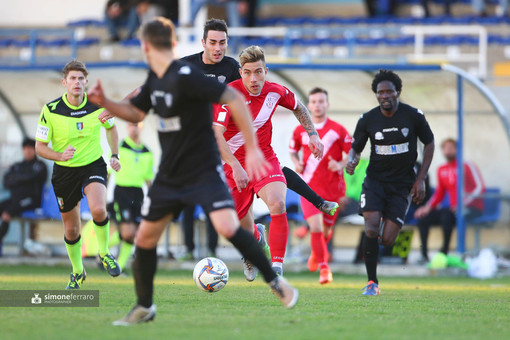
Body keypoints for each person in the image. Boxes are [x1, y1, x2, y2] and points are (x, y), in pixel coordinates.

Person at [87, 17, 298, 325]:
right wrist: (107, 102)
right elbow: (136, 110)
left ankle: (274, 280)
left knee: (228, 226)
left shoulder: (187, 75)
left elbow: (233, 99)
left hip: (203, 169)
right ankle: (144, 306)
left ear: (150, 46)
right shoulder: (157, 77)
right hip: (169, 175)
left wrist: (251, 149)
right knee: (145, 240)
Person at [213, 45, 324, 278]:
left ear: (266, 71)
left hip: (263, 157)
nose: (253, 79)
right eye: (247, 72)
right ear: (241, 72)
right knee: (234, 225)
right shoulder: (227, 95)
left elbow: (299, 107)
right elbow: (216, 134)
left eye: (259, 72)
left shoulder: (275, 91)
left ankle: (276, 266)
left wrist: (312, 134)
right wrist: (235, 167)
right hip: (233, 162)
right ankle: (254, 243)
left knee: (277, 203)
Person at [346, 69, 435, 296]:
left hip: (402, 185)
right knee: (371, 227)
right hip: (375, 182)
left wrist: (421, 178)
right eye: (380, 92)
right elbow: (356, 148)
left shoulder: (413, 116)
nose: (384, 96)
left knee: (387, 239)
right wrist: (352, 161)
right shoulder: (367, 119)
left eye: (389, 91)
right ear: (376, 94)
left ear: (398, 92)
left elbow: (430, 144)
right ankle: (371, 283)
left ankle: (383, 223)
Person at [35, 60, 122, 289]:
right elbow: (39, 147)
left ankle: (104, 253)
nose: (77, 82)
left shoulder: (97, 106)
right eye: (72, 78)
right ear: (64, 82)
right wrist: (59, 156)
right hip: (64, 172)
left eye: (81, 78)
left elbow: (112, 128)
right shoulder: (51, 110)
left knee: (98, 209)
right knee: (72, 229)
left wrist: (115, 155)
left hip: (93, 165)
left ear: (86, 82)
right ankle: (77, 271)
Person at [289, 87, 351, 285]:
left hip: (333, 189)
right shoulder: (301, 130)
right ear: (308, 105)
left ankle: (318, 253)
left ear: (327, 104)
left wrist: (340, 164)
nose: (317, 105)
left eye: (321, 101)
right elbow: (293, 150)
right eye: (314, 102)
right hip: (309, 187)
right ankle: (325, 269)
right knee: (315, 227)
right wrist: (296, 162)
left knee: (324, 231)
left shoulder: (338, 130)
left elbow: (352, 155)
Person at [414, 138, 485, 262]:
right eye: (445, 148)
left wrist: (462, 204)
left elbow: (480, 187)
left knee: (447, 215)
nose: (448, 151)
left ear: (457, 149)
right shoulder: (442, 169)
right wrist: (427, 208)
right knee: (424, 217)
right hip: (453, 210)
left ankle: (444, 252)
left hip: (471, 208)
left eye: (451, 148)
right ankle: (424, 255)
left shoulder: (467, 165)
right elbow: (439, 193)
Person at [110, 121, 153, 273]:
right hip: (122, 192)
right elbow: (108, 172)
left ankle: (119, 268)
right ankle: (101, 249)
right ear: (127, 127)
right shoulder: (119, 148)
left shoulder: (147, 152)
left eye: (137, 124)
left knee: (134, 234)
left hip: (138, 193)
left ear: (141, 126)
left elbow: (149, 178)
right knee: (128, 232)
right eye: (131, 124)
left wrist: (154, 199)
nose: (134, 127)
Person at [0, 138, 47, 252]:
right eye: (25, 149)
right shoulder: (18, 165)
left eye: (30, 148)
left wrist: (17, 179)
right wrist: (24, 178)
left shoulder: (40, 165)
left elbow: (34, 177)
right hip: (15, 199)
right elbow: (6, 182)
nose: (28, 151)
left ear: (35, 150)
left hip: (32, 200)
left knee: (7, 213)